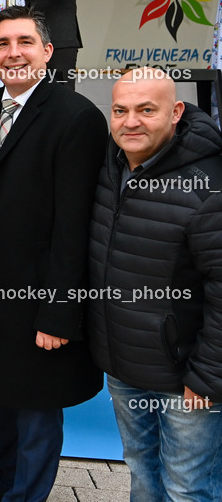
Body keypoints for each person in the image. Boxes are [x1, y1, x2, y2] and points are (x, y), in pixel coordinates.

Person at [0, 5, 107, 502]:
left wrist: (59, 312)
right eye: (3, 44)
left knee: (37, 406)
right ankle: (7, 483)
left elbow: (76, 227)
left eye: (25, 41)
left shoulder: (77, 118)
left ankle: (24, 496)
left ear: (48, 51)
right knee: (5, 398)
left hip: (41, 297)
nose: (14, 53)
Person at [87, 68, 222, 502]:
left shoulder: (207, 186)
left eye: (147, 110)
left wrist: (206, 378)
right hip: (126, 365)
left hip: (187, 375)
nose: (131, 122)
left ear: (176, 112)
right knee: (143, 471)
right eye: (121, 110)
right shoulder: (109, 162)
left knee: (187, 488)